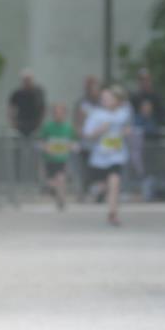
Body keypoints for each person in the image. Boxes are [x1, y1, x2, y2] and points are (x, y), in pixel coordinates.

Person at [83, 86, 130, 226]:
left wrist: (125, 132)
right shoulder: (96, 114)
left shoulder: (123, 113)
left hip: (116, 155)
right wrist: (100, 130)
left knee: (114, 182)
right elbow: (87, 134)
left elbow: (126, 127)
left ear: (116, 100)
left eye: (109, 98)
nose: (105, 101)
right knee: (104, 185)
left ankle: (112, 213)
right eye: (103, 98)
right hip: (100, 157)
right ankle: (97, 191)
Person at [38, 103, 78, 210]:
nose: (58, 115)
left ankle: (61, 200)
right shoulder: (47, 127)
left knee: (61, 179)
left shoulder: (69, 128)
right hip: (50, 159)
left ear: (65, 114)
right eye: (56, 113)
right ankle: (55, 192)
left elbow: (74, 143)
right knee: (51, 182)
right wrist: (46, 148)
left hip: (63, 159)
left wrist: (72, 147)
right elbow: (41, 142)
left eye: (61, 113)